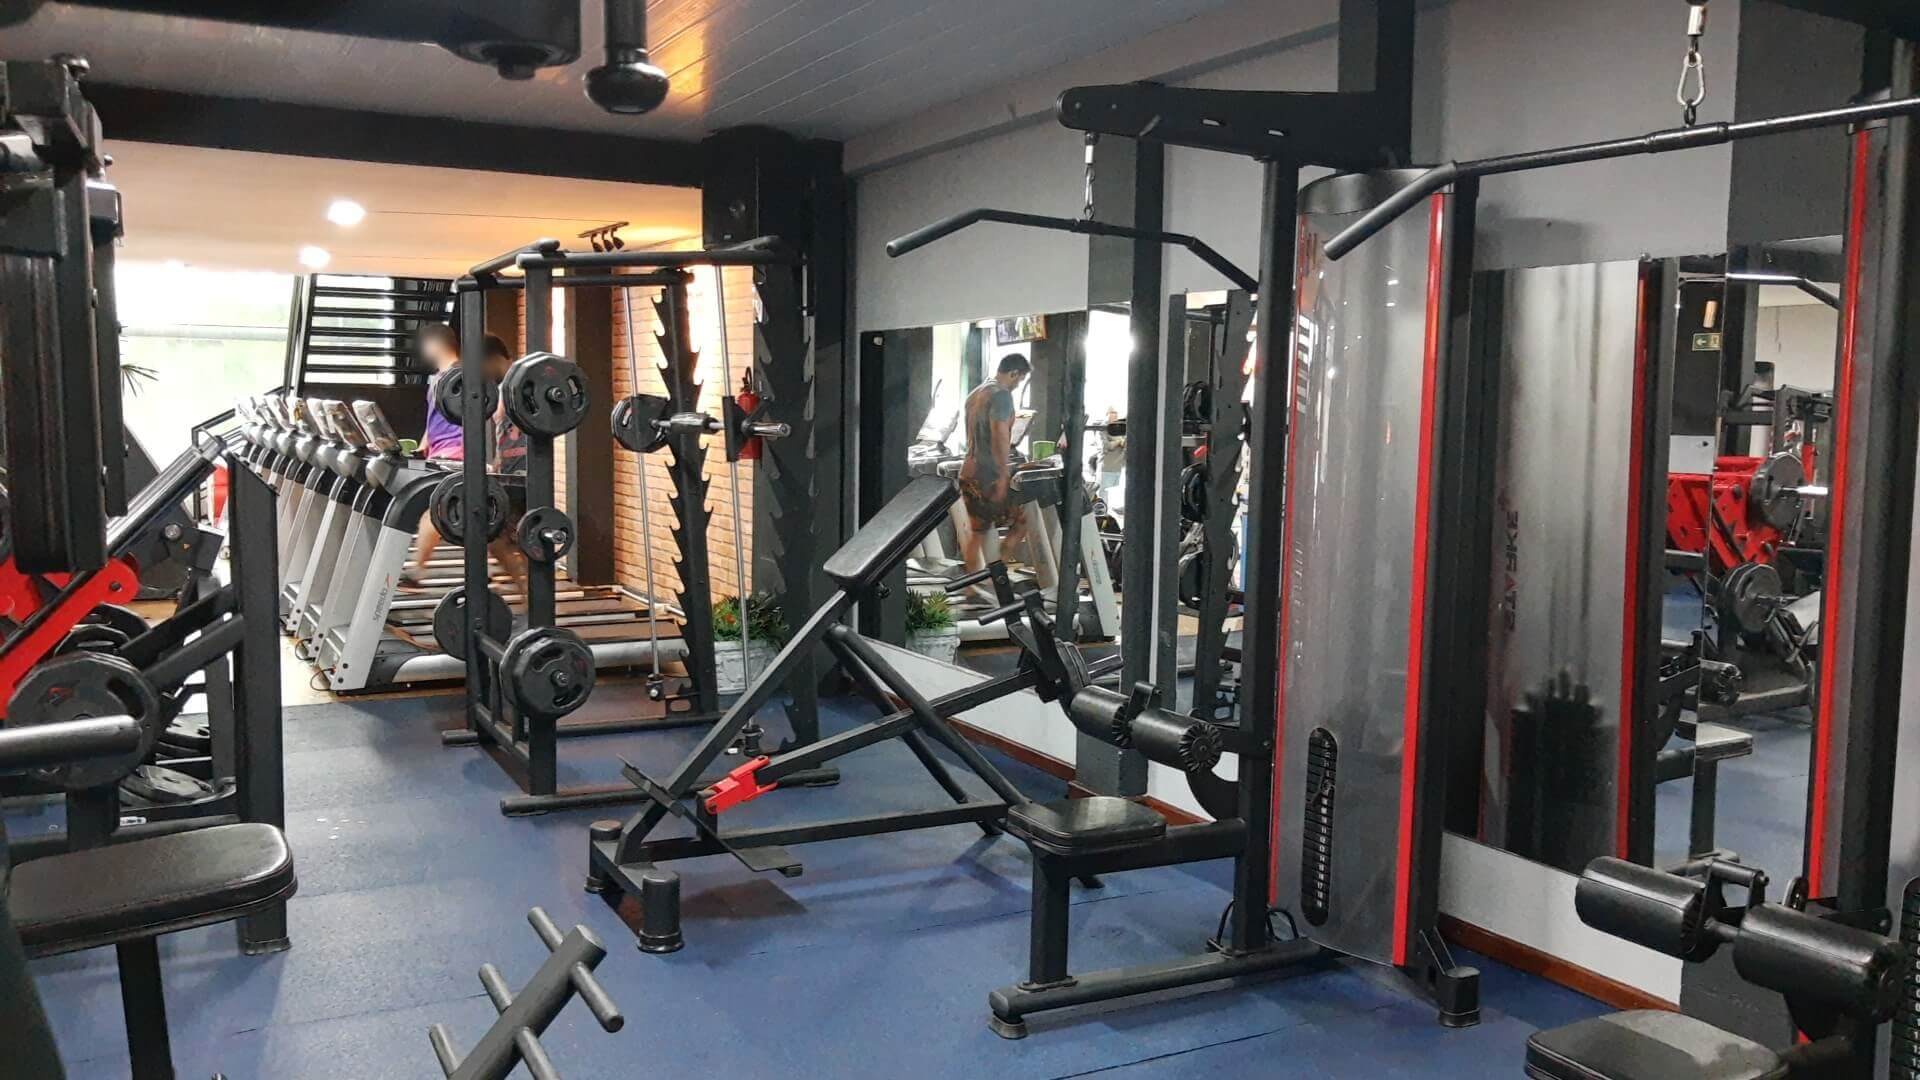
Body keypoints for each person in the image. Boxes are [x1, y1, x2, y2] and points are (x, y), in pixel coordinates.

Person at [957, 352, 1032, 573]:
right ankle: (996, 577)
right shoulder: (1002, 395)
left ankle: (972, 585)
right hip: (987, 474)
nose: (1017, 385)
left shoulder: (975, 394)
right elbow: (999, 435)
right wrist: (1003, 475)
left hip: (968, 472)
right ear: (1014, 373)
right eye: (1019, 380)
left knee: (977, 533)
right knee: (1021, 522)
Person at [410, 323, 464, 578]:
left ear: (434, 345)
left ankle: (416, 571)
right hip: (438, 452)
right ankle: (522, 585)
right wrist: (423, 445)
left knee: (435, 511)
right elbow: (433, 419)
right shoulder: (436, 378)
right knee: (495, 538)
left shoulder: (462, 376)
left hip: (456, 453)